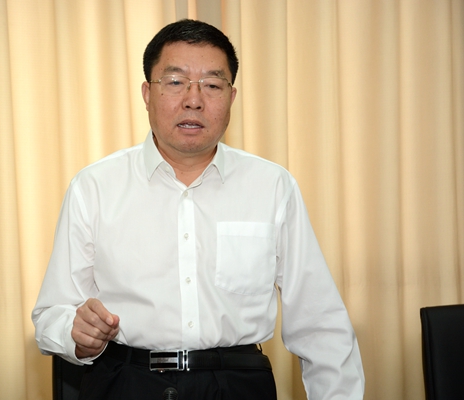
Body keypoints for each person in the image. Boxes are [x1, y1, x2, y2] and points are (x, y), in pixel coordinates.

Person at [32, 19, 364, 399]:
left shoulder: (272, 186)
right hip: (125, 382)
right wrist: (74, 332)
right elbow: (51, 314)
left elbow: (319, 323)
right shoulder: (94, 187)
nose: (193, 100)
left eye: (212, 85)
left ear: (232, 97)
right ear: (147, 93)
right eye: (175, 82)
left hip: (237, 384)